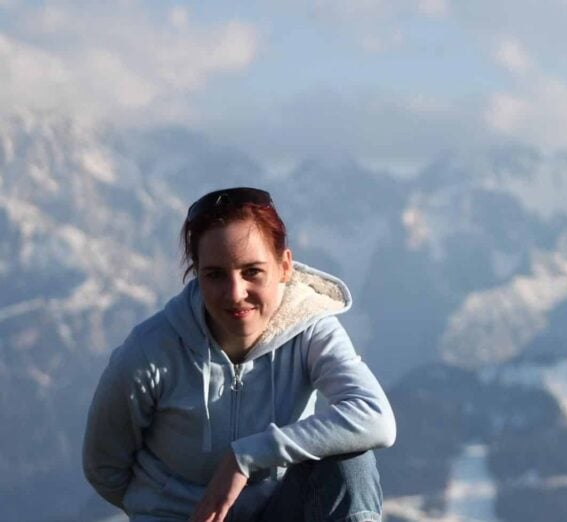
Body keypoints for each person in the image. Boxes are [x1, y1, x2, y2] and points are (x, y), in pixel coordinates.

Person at [83, 187, 396, 522]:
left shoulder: (310, 330)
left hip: (277, 513)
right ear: (196, 274)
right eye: (215, 275)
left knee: (352, 462)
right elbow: (105, 468)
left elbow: (376, 418)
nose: (235, 294)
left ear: (285, 267)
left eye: (252, 271)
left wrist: (246, 456)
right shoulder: (151, 350)